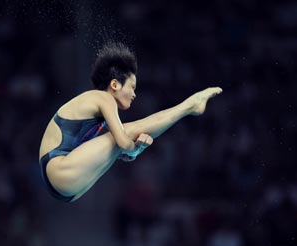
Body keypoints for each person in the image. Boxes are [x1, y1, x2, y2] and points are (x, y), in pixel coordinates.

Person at [39, 42, 222, 202]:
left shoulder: (96, 110)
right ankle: (189, 105)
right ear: (115, 84)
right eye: (132, 87)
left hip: (66, 183)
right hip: (59, 169)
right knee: (125, 133)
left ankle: (190, 106)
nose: (134, 94)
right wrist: (134, 149)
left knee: (120, 139)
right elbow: (124, 142)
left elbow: (116, 148)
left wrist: (130, 149)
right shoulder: (103, 98)